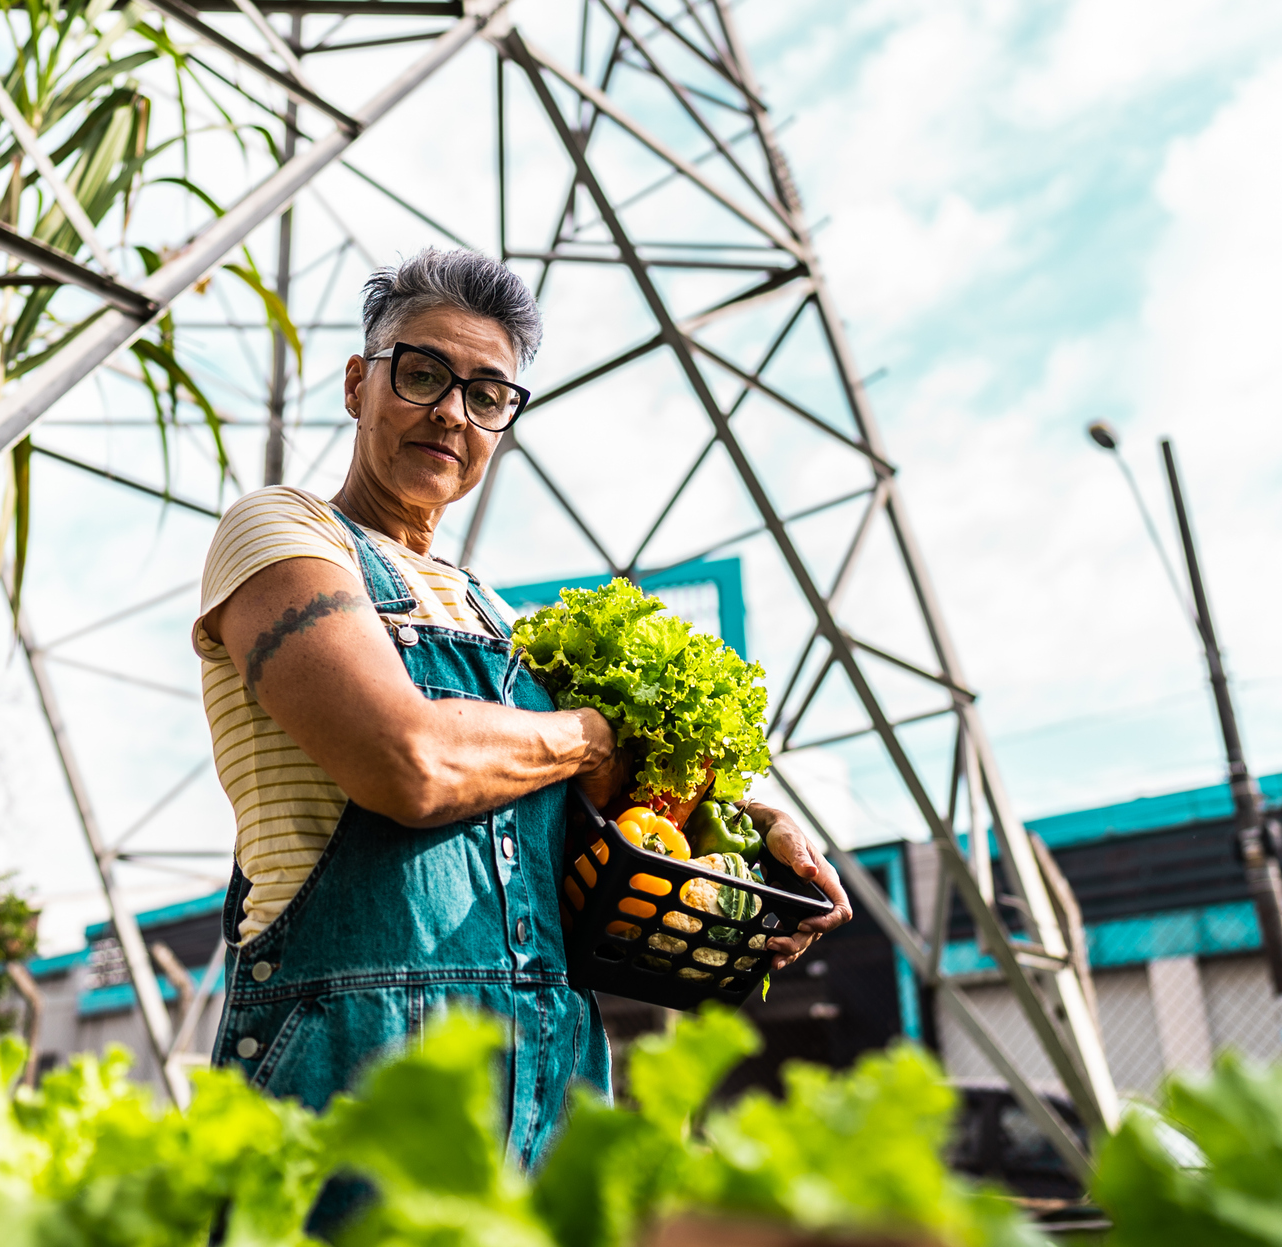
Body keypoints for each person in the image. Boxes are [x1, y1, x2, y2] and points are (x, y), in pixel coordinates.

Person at [192, 247, 850, 1227]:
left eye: (489, 392)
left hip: (547, 1089)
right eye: (422, 374)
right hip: (356, 1077)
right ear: (357, 381)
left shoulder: (501, 615)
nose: (452, 412)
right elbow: (406, 760)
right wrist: (590, 734)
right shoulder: (284, 535)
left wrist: (757, 830)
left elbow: (620, 804)